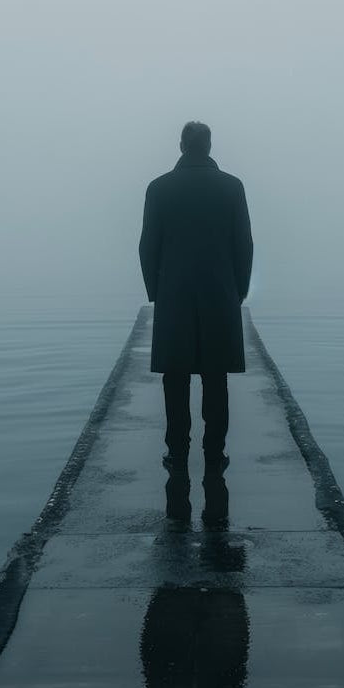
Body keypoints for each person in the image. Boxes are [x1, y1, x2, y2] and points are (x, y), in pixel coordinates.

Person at [139, 121, 253, 472]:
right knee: (215, 377)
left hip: (174, 295)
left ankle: (177, 452)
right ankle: (214, 451)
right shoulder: (232, 187)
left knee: (175, 377)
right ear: (208, 146)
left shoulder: (159, 188)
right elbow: (244, 245)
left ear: (181, 146)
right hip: (220, 293)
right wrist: (239, 290)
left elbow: (147, 247)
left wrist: (156, 292)